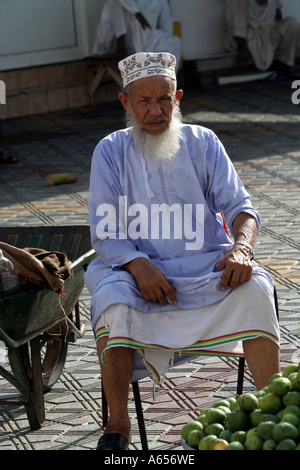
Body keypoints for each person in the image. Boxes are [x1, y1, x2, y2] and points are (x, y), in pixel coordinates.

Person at [84, 51, 280, 450]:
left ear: (179, 99)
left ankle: (269, 411)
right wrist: (139, 266)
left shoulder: (203, 142)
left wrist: (242, 249)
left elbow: (242, 208)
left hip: (206, 268)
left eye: (165, 99)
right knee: (112, 302)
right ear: (125, 103)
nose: (156, 110)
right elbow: (105, 233)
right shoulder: (109, 151)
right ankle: (117, 427)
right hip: (134, 270)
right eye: (144, 101)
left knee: (257, 287)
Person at [92, 0, 181, 69]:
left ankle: (167, 84)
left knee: (175, 43)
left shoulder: (159, 1)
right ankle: (121, 44)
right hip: (118, 44)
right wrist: (136, 13)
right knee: (116, 3)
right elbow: (103, 39)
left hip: (147, 43)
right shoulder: (114, 4)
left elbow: (167, 30)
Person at [224, 0, 300, 74]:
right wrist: (242, 46)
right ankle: (243, 48)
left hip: (268, 34)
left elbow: (278, 16)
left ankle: (286, 64)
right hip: (248, 37)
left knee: (291, 23)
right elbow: (237, 23)